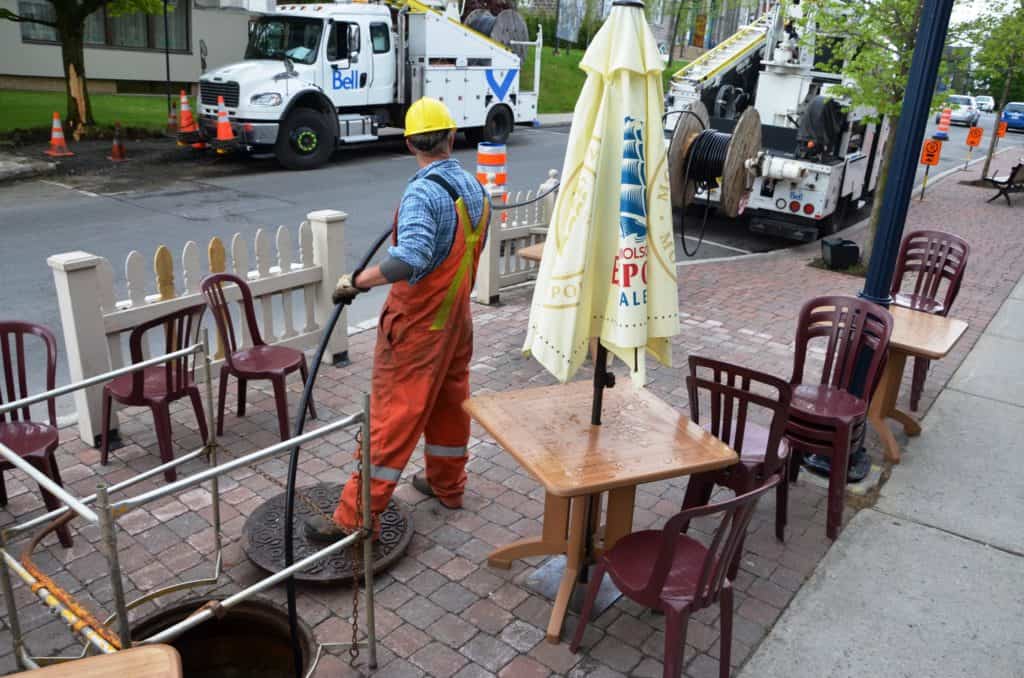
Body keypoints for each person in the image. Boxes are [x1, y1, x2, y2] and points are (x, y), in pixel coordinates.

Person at [306, 97, 491, 541]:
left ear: (410, 144)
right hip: (456, 322)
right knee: (450, 404)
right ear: (450, 138)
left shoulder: (422, 193)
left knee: (393, 418)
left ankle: (353, 518)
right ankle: (448, 485)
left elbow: (410, 257)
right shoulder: (475, 188)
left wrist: (358, 281)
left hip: (417, 330)